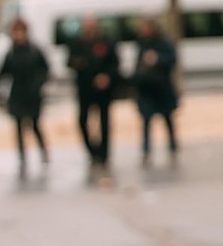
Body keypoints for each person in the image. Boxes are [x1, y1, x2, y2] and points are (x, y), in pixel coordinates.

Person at [0, 19, 51, 179]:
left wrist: (38, 85)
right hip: (18, 94)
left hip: (32, 94)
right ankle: (22, 157)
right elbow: (3, 73)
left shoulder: (34, 51)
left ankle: (43, 152)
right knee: (18, 127)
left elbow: (45, 70)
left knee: (35, 125)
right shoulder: (11, 53)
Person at [67, 16, 121, 167]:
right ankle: (92, 150)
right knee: (83, 120)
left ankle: (104, 152)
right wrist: (80, 64)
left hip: (103, 90)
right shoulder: (77, 43)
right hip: (85, 89)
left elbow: (115, 63)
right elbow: (70, 61)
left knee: (104, 120)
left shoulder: (106, 41)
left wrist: (107, 77)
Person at [133, 18, 179, 164]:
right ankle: (146, 150)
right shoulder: (142, 43)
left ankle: (172, 146)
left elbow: (173, 60)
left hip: (162, 88)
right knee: (146, 120)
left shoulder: (163, 43)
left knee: (167, 118)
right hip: (147, 89)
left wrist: (157, 59)